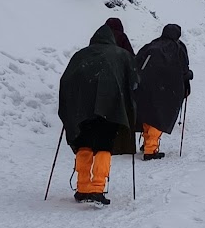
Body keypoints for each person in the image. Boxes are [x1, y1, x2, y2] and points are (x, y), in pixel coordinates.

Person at [58, 23, 138, 205]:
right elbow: (134, 81)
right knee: (104, 145)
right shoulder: (121, 55)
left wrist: (70, 104)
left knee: (84, 144)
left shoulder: (81, 55)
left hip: (82, 108)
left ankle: (83, 187)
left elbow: (66, 80)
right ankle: (97, 188)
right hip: (110, 107)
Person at [134, 24, 192, 161]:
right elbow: (184, 69)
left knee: (148, 114)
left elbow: (137, 61)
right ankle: (150, 150)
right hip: (167, 89)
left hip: (145, 86)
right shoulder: (178, 48)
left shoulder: (151, 45)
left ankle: (147, 143)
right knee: (160, 117)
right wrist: (188, 76)